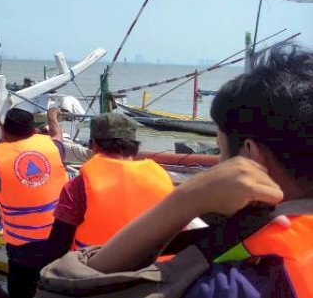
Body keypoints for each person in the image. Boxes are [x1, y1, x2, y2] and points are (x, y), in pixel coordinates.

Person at [82, 44, 313, 297]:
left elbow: (66, 287)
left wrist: (187, 198)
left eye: (221, 152)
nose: (218, 163)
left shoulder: (226, 287)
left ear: (250, 158)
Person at [0, 107, 70, 298]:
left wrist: (2, 144)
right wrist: (52, 117)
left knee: (21, 291)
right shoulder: (53, 148)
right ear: (34, 130)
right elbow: (57, 135)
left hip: (23, 246)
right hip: (58, 236)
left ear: (5, 129)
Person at [50, 112, 173, 256]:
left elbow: (58, 244)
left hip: (95, 271)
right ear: (135, 146)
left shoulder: (78, 186)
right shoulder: (161, 178)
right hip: (153, 271)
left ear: (93, 145)